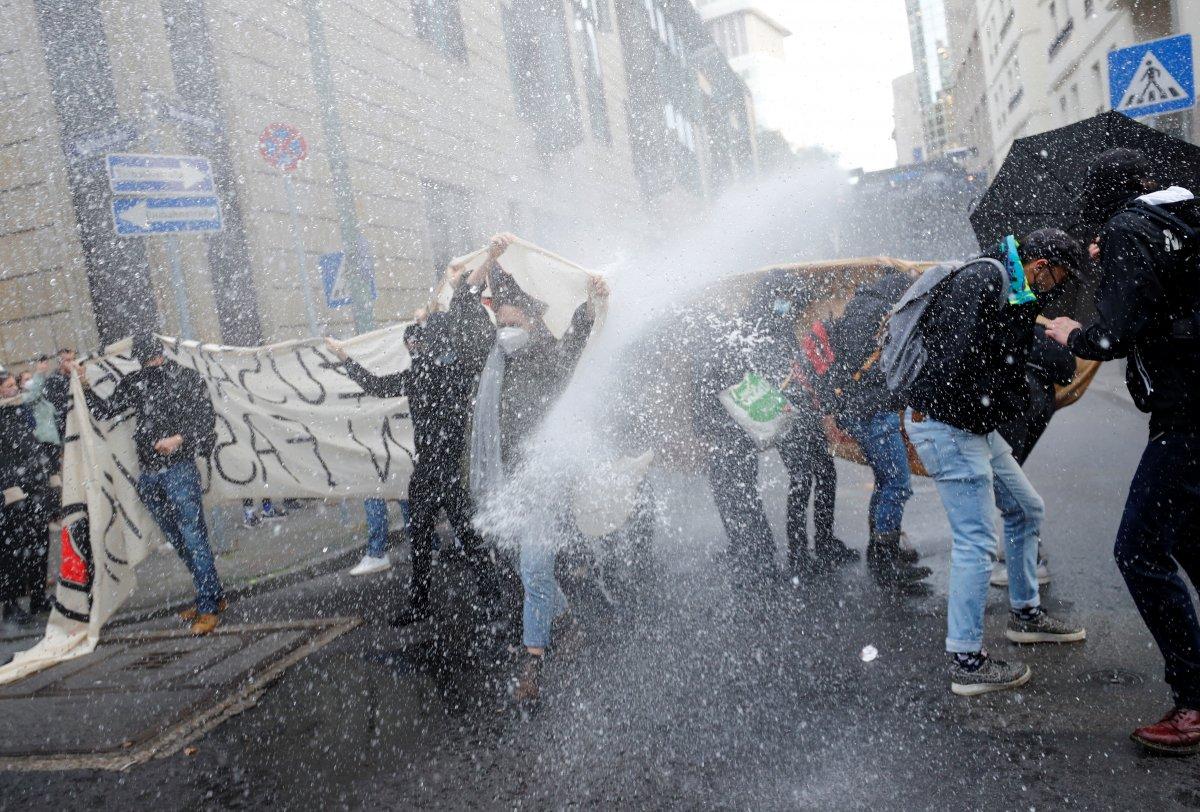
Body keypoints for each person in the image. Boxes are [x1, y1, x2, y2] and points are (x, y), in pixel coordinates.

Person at [1046, 148, 1200, 754]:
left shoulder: (1128, 230)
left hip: (1187, 412)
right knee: (1186, 538)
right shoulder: (1183, 216)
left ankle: (1193, 702)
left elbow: (1116, 330)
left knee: (1138, 551)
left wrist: (1072, 333)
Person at [900, 228, 1087, 696]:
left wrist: (1027, 327)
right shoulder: (986, 278)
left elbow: (990, 356)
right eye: (1055, 278)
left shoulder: (1009, 286)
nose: (1052, 289)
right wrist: (1004, 389)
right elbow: (958, 361)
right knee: (976, 542)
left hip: (971, 424)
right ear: (1040, 264)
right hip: (950, 425)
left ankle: (1026, 614)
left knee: (1026, 509)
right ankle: (966, 660)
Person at [452, 234, 607, 703]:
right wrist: (490, 259)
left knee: (534, 569)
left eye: (510, 313)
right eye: (498, 313)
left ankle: (531, 668)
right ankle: (567, 621)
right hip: (511, 484)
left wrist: (593, 295)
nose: (501, 320)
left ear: (533, 317)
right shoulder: (495, 356)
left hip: (545, 481)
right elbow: (462, 299)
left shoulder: (550, 355)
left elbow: (583, 329)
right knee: (533, 572)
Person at [327, 310, 502, 625]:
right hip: (442, 471)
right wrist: (432, 321)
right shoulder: (459, 372)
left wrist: (344, 357)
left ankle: (426, 604)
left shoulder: (422, 375)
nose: (411, 346)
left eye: (414, 342)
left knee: (424, 542)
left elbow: (374, 385)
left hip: (432, 471)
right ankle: (488, 597)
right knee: (460, 537)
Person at [78, 333, 225, 635]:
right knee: (181, 537)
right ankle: (210, 594)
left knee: (192, 536)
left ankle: (209, 604)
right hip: (150, 473)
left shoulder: (184, 378)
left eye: (148, 358)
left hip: (179, 469)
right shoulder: (137, 381)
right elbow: (106, 410)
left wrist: (178, 440)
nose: (147, 364)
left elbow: (205, 420)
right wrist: (83, 386)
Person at [744, 270, 857, 575]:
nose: (788, 303)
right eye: (783, 297)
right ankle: (798, 552)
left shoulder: (778, 318)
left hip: (804, 409)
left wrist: (799, 285)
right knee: (801, 478)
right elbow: (763, 370)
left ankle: (824, 542)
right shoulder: (759, 326)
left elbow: (801, 299)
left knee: (825, 473)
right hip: (782, 411)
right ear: (771, 297)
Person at [822, 270, 930, 586]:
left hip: (857, 408)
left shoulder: (859, 305)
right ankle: (885, 559)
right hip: (874, 410)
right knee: (896, 483)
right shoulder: (889, 312)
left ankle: (881, 553)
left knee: (885, 480)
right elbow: (888, 364)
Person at [990, 324, 1077, 588]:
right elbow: (1066, 374)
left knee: (1008, 485)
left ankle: (1030, 563)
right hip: (1042, 400)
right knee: (1012, 480)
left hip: (1018, 399)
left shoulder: (1008, 323)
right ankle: (1027, 557)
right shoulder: (1043, 328)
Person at [0, 372, 52, 625]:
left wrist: (47, 474)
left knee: (39, 543)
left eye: (13, 385)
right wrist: (7, 486)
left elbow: (34, 441)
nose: (14, 389)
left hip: (32, 486)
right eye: (9, 387)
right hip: (11, 494)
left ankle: (38, 597)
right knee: (13, 551)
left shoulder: (19, 409)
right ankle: (10, 605)